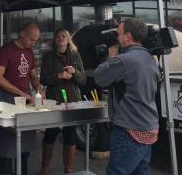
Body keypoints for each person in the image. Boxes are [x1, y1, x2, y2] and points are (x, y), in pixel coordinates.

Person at [94, 18, 160, 175]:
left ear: (128, 36)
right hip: (148, 124)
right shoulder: (150, 59)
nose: (117, 37)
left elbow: (99, 77)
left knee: (117, 172)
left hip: (129, 128)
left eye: (119, 34)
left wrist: (111, 54)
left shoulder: (125, 60)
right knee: (140, 171)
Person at [0, 23, 43, 175]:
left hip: (26, 102)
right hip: (7, 100)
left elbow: (33, 75)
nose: (33, 43)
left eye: (36, 41)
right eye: (31, 40)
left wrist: (38, 88)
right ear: (22, 34)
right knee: (8, 146)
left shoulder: (29, 52)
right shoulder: (6, 50)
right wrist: (22, 93)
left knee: (25, 146)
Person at [40, 28, 86, 174]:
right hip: (55, 101)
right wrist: (58, 76)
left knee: (70, 134)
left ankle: (69, 169)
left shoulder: (75, 55)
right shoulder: (48, 57)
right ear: (55, 40)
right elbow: (43, 79)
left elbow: (83, 80)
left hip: (72, 101)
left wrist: (74, 73)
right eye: (58, 36)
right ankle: (45, 168)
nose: (60, 38)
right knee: (50, 133)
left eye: (63, 36)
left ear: (68, 39)